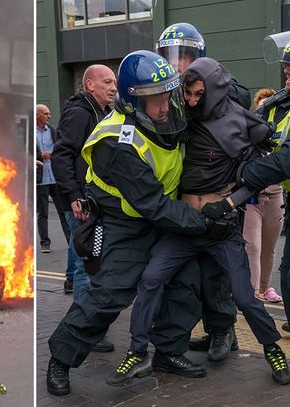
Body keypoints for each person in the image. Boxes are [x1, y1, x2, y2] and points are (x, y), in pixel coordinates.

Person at [46, 50, 231, 396]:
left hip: (162, 217)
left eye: (167, 97)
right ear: (132, 103)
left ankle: (169, 352)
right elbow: (153, 205)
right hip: (125, 222)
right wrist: (205, 222)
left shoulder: (167, 116)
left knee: (185, 282)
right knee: (111, 292)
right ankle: (61, 358)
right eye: (155, 101)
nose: (165, 107)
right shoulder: (115, 142)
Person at [110, 57, 290, 387]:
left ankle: (272, 349)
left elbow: (256, 175)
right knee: (151, 278)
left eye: (198, 94)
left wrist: (228, 204)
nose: (192, 101)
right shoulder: (180, 117)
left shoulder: (241, 123)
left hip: (220, 228)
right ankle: (137, 351)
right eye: (188, 94)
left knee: (245, 296)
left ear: (216, 90)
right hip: (183, 224)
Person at [157, 22, 246, 360]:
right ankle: (210, 331)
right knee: (190, 274)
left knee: (216, 273)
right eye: (170, 56)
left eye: (185, 56)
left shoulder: (218, 83)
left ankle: (224, 331)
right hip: (184, 196)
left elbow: (239, 98)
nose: (177, 63)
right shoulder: (171, 92)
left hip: (218, 194)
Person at [239, 33, 290, 335]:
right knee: (285, 270)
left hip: (275, 191)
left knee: (289, 270)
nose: (286, 71)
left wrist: (246, 175)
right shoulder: (281, 102)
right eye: (286, 66)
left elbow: (287, 159)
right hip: (286, 198)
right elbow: (248, 124)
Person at [51, 64, 116, 300]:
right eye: (107, 82)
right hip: (83, 203)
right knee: (85, 266)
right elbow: (62, 155)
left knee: (95, 264)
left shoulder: (104, 112)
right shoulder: (80, 112)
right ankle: (84, 328)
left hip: (97, 201)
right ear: (90, 85)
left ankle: (90, 321)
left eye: (114, 83)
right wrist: (74, 197)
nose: (113, 87)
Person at [243, 89, 284, 303]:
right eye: (262, 106)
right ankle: (252, 294)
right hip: (253, 199)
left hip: (275, 196)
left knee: (269, 248)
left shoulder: (280, 135)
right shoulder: (249, 135)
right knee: (252, 246)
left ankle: (265, 287)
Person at [36, 104, 70, 253]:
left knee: (63, 212)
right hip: (41, 179)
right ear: (38, 115)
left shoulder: (53, 131)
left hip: (55, 177)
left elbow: (60, 148)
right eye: (46, 114)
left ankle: (71, 241)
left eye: (49, 114)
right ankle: (45, 243)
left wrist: (54, 153)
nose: (49, 116)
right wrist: (40, 156)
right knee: (43, 213)